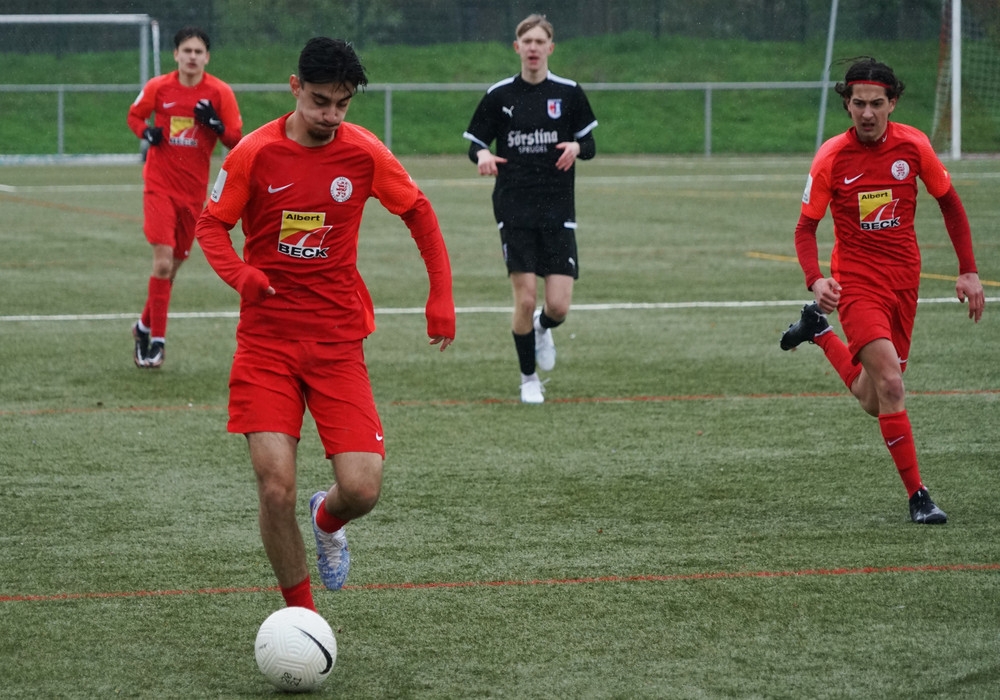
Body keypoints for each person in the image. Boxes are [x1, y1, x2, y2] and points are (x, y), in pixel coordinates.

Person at [194, 37, 455, 611]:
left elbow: (417, 210)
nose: (331, 115)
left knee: (361, 489)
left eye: (342, 104)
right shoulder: (254, 153)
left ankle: (327, 518)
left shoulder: (363, 152)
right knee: (274, 487)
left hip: (338, 343)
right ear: (295, 87)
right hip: (266, 344)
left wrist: (440, 294)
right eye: (319, 101)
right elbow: (211, 225)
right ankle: (302, 617)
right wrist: (241, 275)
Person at [780, 57, 984, 524]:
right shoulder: (832, 156)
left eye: (876, 103)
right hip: (856, 284)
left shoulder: (914, 146)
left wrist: (968, 271)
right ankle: (919, 497)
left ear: (893, 103)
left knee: (874, 398)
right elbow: (805, 229)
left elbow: (950, 204)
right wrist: (817, 279)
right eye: (858, 104)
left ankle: (817, 332)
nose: (867, 113)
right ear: (847, 105)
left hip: (904, 282)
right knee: (892, 384)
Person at [462, 14, 598, 404]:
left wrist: (577, 146)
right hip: (514, 206)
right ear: (517, 48)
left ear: (550, 48)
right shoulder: (500, 95)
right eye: (527, 42)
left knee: (558, 306)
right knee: (524, 299)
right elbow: (475, 143)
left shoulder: (569, 93)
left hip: (558, 209)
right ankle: (528, 379)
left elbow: (589, 146)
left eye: (540, 42)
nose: (533, 48)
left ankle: (542, 328)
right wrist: (483, 154)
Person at [127, 26, 243, 368]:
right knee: (163, 263)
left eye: (198, 51)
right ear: (176, 54)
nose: (192, 56)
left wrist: (216, 125)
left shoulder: (219, 92)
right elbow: (134, 115)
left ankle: (142, 326)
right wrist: (146, 131)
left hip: (193, 194)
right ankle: (156, 342)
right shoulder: (159, 87)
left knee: (172, 268)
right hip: (159, 186)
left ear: (207, 57)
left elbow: (236, 139)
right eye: (186, 50)